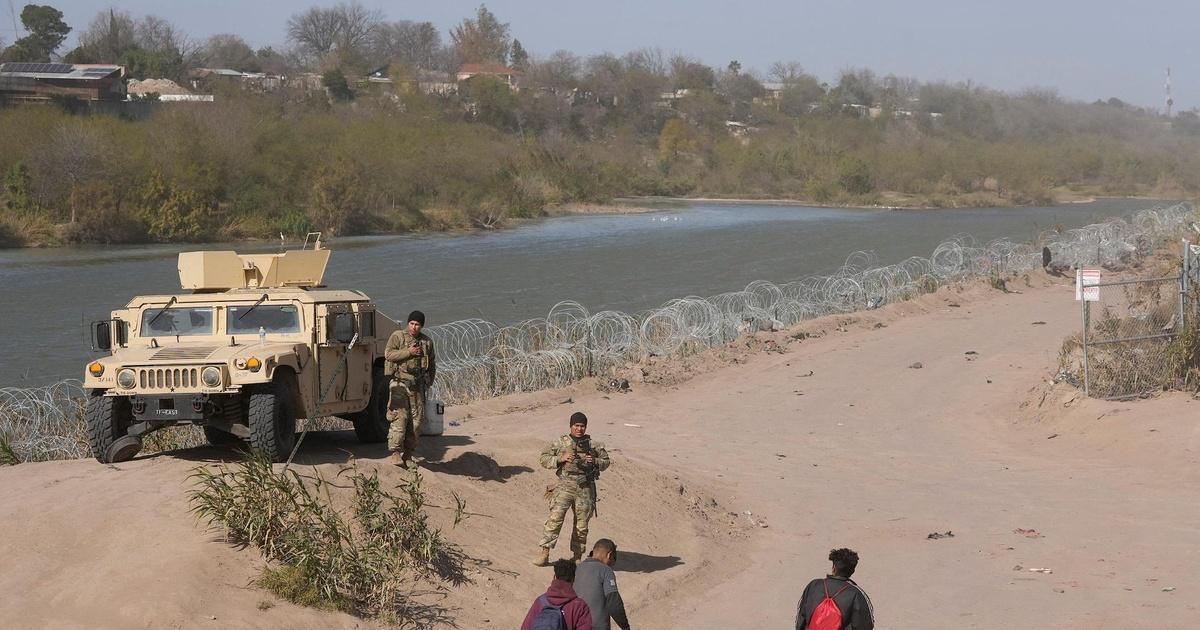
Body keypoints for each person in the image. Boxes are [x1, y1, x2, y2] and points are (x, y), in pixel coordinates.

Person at [535, 411, 611, 566]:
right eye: (576, 425)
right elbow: (543, 458)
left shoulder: (593, 445)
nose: (579, 429)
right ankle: (545, 553)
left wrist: (595, 460)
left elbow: (606, 461)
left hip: (585, 489)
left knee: (581, 525)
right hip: (564, 486)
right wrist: (560, 459)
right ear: (571, 426)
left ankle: (577, 556)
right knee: (555, 519)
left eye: (582, 426)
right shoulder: (560, 443)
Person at [383, 310, 436, 467]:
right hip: (399, 383)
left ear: (421, 326)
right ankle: (395, 452)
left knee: (416, 421)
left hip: (417, 386)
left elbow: (432, 363)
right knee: (399, 417)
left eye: (417, 324)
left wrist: (429, 381)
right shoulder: (398, 336)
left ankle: (408, 453)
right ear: (408, 323)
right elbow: (389, 354)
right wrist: (409, 352)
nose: (414, 327)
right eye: (412, 323)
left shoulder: (427, 342)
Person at [795, 548, 875, 630]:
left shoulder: (813, 585)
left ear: (834, 567)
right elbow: (865, 626)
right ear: (853, 571)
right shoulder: (856, 593)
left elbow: (800, 619)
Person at [521, 558, 593, 630]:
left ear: (554, 577)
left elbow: (525, 627)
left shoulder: (540, 601)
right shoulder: (580, 606)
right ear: (573, 579)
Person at [574, 538, 631, 630]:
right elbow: (614, 603)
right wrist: (625, 627)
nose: (611, 564)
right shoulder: (605, 570)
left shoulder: (577, 568)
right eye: (613, 560)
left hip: (576, 625)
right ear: (609, 555)